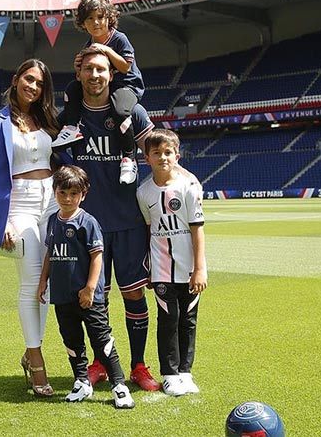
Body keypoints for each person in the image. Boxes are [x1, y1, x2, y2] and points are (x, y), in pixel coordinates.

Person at [57, 46, 160, 392]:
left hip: (129, 223)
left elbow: (160, 154)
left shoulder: (135, 113)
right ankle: (100, 363)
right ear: (79, 74)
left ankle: (139, 366)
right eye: (89, 69)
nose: (95, 75)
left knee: (134, 296)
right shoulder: (70, 120)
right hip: (88, 229)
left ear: (111, 74)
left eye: (101, 69)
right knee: (93, 301)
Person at [0, 58, 59, 397]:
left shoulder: (50, 119)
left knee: (49, 283)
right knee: (31, 280)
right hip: (17, 206)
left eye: (40, 83)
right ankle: (37, 361)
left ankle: (30, 349)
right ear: (16, 78)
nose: (33, 86)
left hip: (52, 201)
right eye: (29, 79)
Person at [37, 165, 135, 409]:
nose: (68, 198)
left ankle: (119, 385)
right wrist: (43, 281)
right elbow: (50, 253)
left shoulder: (87, 222)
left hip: (89, 297)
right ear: (55, 192)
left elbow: (97, 256)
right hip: (62, 295)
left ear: (83, 194)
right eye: (63, 193)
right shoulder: (52, 221)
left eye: (74, 193)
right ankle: (81, 382)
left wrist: (90, 288)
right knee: (71, 341)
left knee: (102, 341)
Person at [136, 128, 208, 396]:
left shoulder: (189, 187)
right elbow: (148, 230)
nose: (163, 157)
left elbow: (197, 229)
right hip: (161, 269)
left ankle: (185, 373)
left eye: (168, 153)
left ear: (177, 155)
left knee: (188, 320)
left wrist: (200, 269)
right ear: (147, 158)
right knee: (168, 319)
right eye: (157, 153)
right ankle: (169, 374)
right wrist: (149, 269)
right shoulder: (143, 193)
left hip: (189, 269)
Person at [51, 0, 145, 185]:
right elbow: (86, 71)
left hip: (127, 86)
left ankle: (128, 158)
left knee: (120, 111)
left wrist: (106, 51)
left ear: (109, 18)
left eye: (100, 17)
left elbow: (125, 67)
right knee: (72, 88)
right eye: (90, 18)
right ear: (82, 23)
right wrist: (78, 64)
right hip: (106, 88)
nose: (96, 22)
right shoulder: (88, 45)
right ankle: (71, 127)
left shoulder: (119, 38)